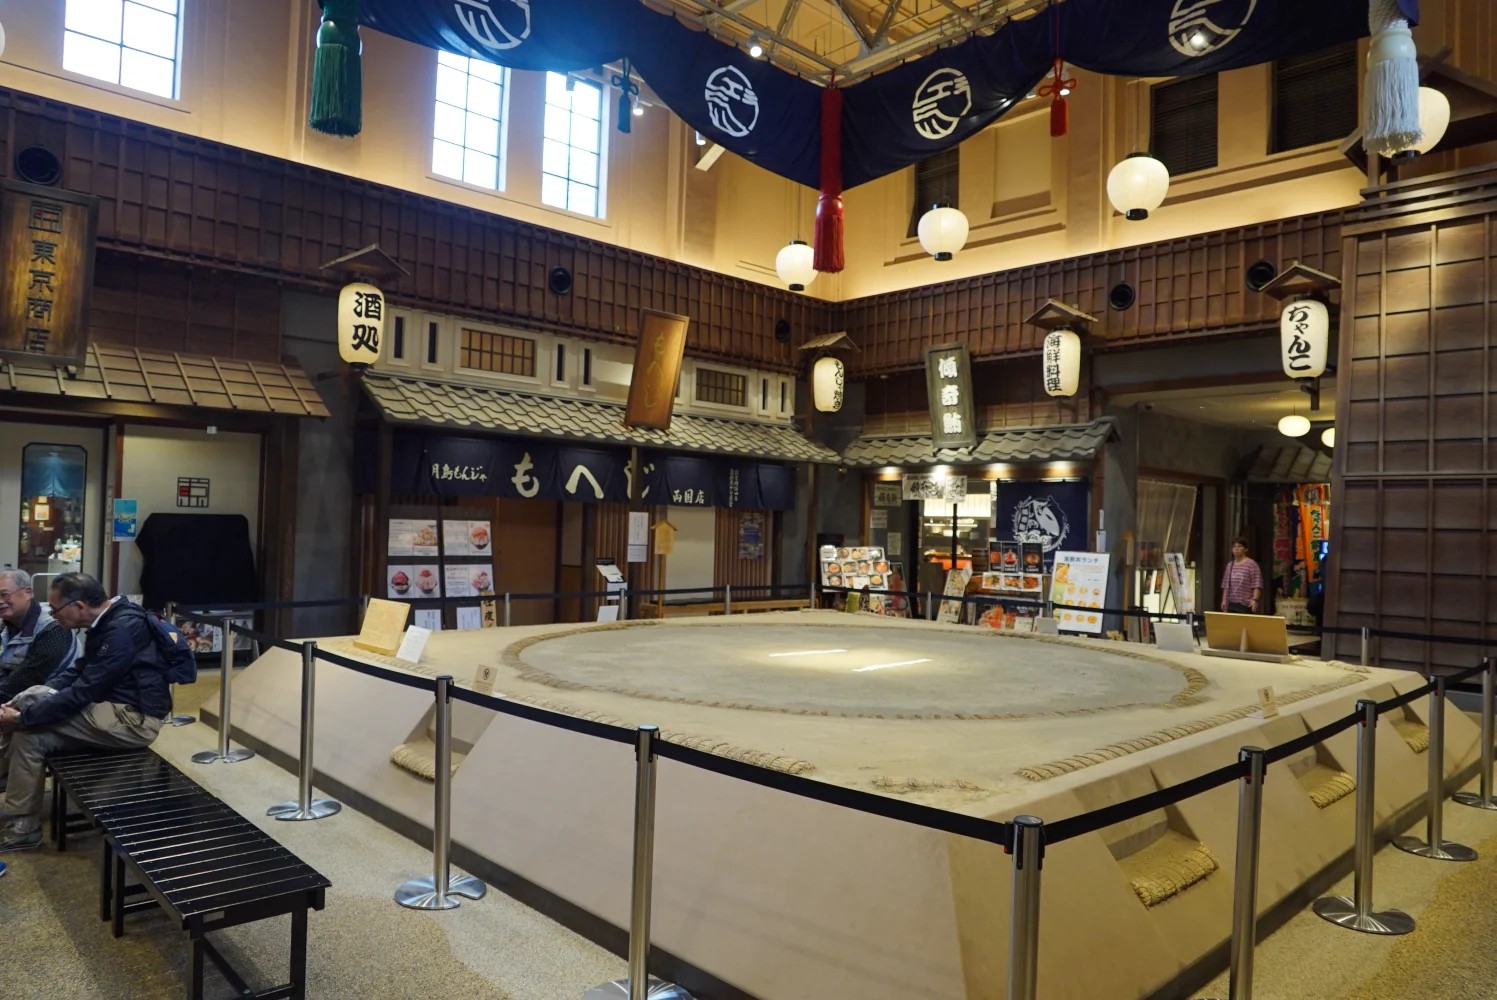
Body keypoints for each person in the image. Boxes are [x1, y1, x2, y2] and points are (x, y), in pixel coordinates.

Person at [0, 573, 170, 851]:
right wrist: (39, 697)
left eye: (56, 609)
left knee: (26, 721)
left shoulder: (120, 632)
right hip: (107, 710)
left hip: (135, 721)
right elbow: (76, 673)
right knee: (28, 735)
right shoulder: (106, 622)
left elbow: (82, 692)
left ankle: (13, 797)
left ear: (78, 606)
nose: (53, 616)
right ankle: (24, 825)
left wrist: (21, 717)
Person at [0, 569, 80, 706]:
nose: (0, 601)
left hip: (47, 705)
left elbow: (22, 683)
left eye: (4, 595)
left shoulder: (53, 629)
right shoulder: (5, 626)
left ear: (28, 592)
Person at [1219, 537, 1264, 614]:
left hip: (1246, 605)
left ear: (1245, 549)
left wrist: (1255, 600)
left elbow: (1257, 584)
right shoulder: (1230, 565)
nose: (1236, 549)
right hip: (1232, 604)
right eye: (1234, 547)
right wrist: (1224, 600)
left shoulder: (1251, 564)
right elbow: (1226, 585)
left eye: (1239, 546)